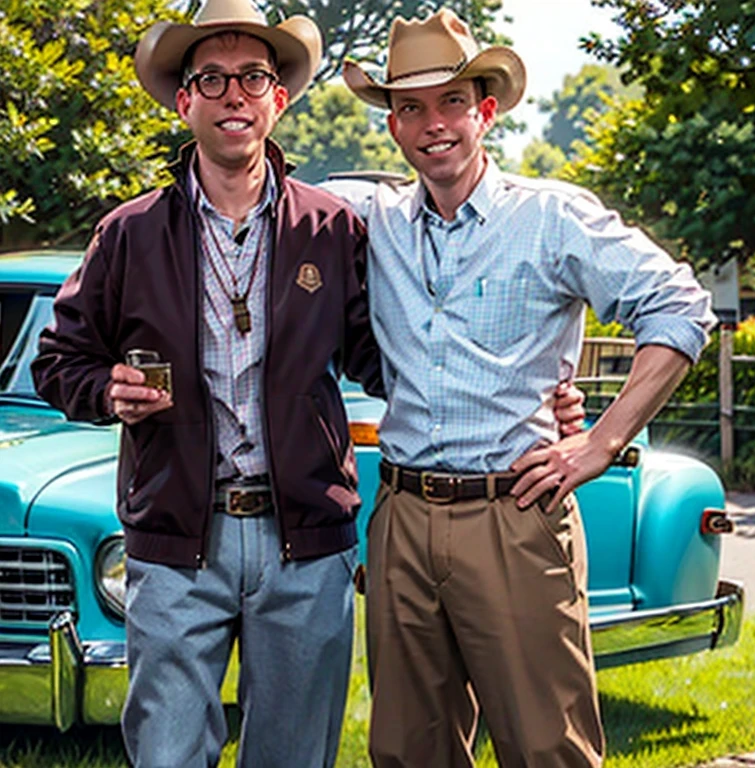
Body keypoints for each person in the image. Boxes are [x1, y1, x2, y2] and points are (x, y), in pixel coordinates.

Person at [343, 9, 717, 768]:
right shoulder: (370, 221)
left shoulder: (550, 217)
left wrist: (602, 440)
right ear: (392, 127)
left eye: (451, 102)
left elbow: (682, 308)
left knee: (547, 749)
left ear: (486, 111)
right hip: (402, 517)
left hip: (515, 515)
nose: (432, 124)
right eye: (409, 107)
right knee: (408, 753)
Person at [31, 1, 381, 766]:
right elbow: (58, 361)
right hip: (174, 539)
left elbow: (386, 357)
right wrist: (103, 390)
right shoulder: (129, 233)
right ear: (184, 100)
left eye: (253, 77)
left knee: (293, 758)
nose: (234, 95)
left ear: (278, 99)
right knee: (167, 754)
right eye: (212, 79)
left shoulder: (332, 228)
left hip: (307, 543)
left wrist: (531, 381)